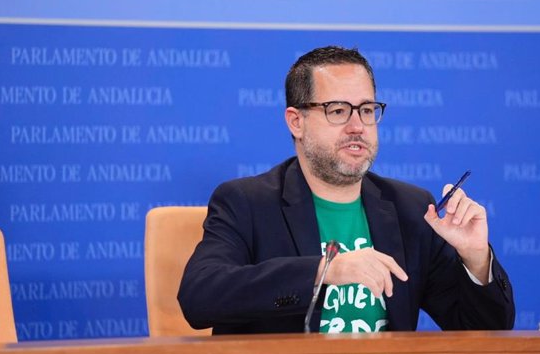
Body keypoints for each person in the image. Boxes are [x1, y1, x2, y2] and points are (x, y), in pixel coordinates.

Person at [178, 46, 514, 334]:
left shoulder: (410, 208)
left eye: (367, 110)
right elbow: (199, 297)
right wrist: (325, 270)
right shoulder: (246, 202)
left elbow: (484, 330)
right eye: (338, 111)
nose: (357, 126)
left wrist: (476, 260)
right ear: (296, 122)